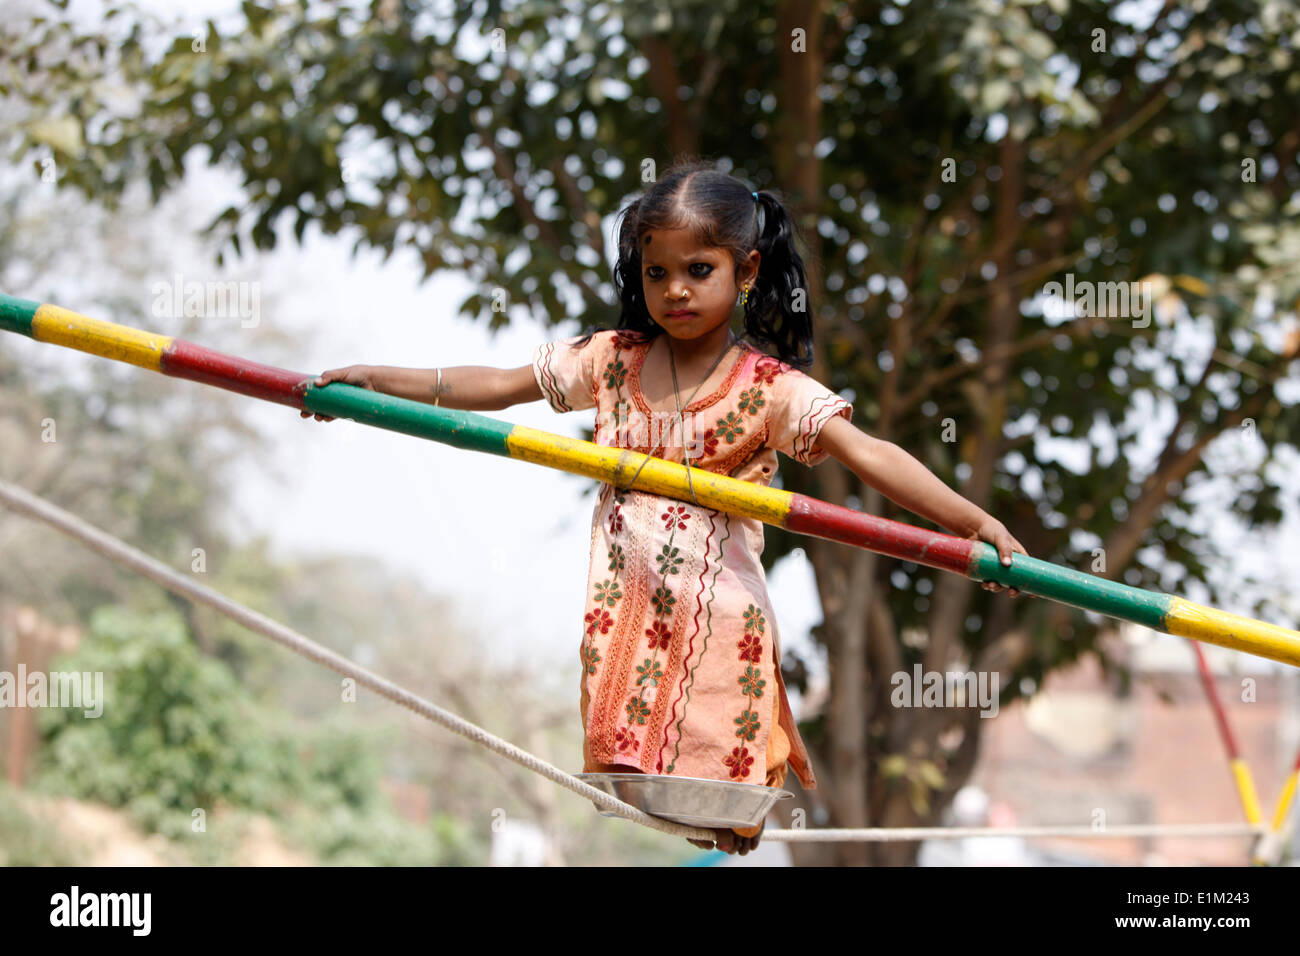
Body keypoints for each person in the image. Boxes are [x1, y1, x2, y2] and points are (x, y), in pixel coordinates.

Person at [300, 159, 1028, 856]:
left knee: (725, 768)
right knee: (633, 769)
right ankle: (718, 824)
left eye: (698, 270)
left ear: (746, 272)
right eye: (658, 273)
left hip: (719, 616)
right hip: (626, 609)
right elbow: (494, 385)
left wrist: (974, 523)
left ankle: (739, 819)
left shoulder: (769, 387)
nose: (676, 290)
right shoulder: (611, 360)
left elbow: (868, 453)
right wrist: (374, 380)